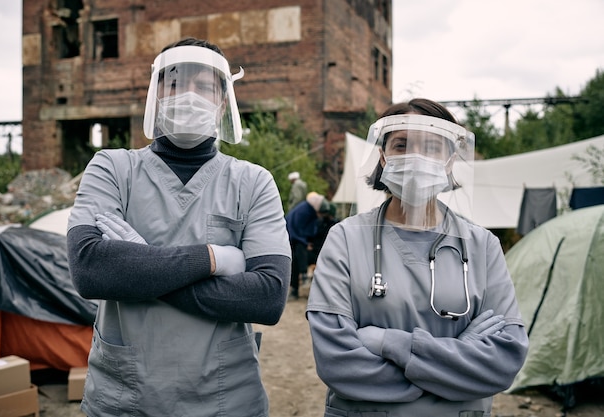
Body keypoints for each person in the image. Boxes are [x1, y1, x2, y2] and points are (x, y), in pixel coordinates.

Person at [67, 37, 291, 416]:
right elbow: (90, 270)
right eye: (174, 82)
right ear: (155, 93)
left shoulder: (253, 181)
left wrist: (140, 268)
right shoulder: (111, 168)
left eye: (203, 86)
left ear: (222, 101)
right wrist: (214, 258)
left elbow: (267, 297)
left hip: (226, 398)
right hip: (124, 398)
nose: (189, 95)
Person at [306, 98, 529, 416]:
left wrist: (388, 343)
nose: (416, 157)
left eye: (432, 147)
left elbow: (504, 361)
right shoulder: (346, 238)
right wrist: (455, 371)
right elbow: (338, 363)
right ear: (383, 155)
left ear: (450, 159)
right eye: (402, 145)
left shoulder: (483, 246)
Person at [285, 192, 331, 300]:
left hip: (302, 243)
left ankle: (296, 287)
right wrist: (306, 243)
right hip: (293, 240)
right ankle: (302, 277)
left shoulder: (311, 212)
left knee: (298, 255)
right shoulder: (303, 211)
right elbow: (295, 231)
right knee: (296, 257)